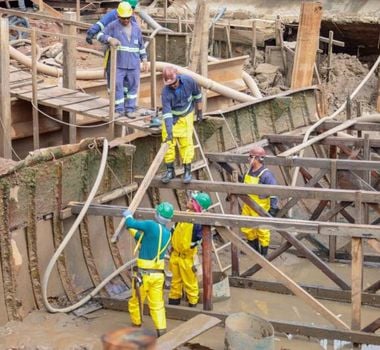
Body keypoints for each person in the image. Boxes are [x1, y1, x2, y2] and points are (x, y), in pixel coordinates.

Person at [122, 202, 174, 338]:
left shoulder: (151, 225)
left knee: (136, 301)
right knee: (157, 304)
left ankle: (137, 325)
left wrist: (127, 217)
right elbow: (142, 238)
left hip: (143, 275)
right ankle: (161, 330)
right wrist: (132, 231)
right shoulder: (168, 234)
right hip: (158, 276)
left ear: (157, 214)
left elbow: (132, 223)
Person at [97, 2, 148, 118]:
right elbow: (99, 35)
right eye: (123, 18)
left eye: (128, 18)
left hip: (134, 64)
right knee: (118, 85)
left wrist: (144, 59)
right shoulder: (113, 26)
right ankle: (119, 109)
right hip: (119, 63)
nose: (126, 20)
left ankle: (130, 108)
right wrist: (109, 39)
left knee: (133, 86)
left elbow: (141, 45)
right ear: (119, 16)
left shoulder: (136, 28)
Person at [160, 65, 203, 184]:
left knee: (186, 143)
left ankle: (187, 170)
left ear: (177, 77)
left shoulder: (189, 81)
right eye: (170, 84)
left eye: (174, 83)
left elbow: (198, 96)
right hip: (172, 117)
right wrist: (169, 131)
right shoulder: (165, 92)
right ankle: (170, 170)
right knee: (168, 143)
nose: (173, 85)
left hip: (186, 115)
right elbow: (167, 113)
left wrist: (200, 112)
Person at [168, 192, 212, 307]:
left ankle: (193, 303)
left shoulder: (198, 222)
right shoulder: (183, 215)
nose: (189, 201)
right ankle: (174, 301)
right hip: (176, 254)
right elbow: (174, 230)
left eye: (192, 200)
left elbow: (199, 238)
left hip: (187, 257)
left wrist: (190, 246)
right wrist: (171, 245)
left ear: (197, 205)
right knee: (175, 281)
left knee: (190, 282)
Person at [241, 146, 278, 257]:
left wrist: (273, 207)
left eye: (250, 157)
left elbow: (274, 191)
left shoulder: (266, 175)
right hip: (248, 205)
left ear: (256, 158)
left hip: (260, 207)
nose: (248, 159)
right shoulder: (248, 172)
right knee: (247, 227)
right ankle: (254, 249)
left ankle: (264, 253)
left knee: (263, 230)